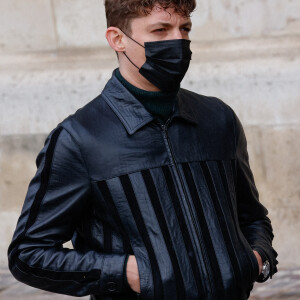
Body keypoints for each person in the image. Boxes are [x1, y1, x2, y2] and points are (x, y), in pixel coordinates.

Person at [8, 1, 278, 299]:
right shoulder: (79, 138)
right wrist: (127, 273)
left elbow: (252, 218)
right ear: (117, 38)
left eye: (184, 28)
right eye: (160, 30)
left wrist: (257, 259)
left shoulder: (219, 119)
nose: (178, 41)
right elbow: (28, 254)